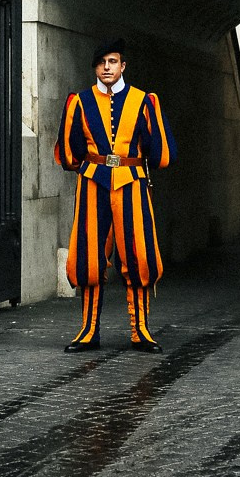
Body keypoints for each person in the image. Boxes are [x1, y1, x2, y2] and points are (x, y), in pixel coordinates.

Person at [55, 39, 174, 353]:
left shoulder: (144, 100)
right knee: (90, 257)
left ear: (123, 66)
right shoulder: (79, 102)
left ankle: (141, 330)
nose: (107, 67)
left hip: (131, 182)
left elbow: (161, 152)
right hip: (94, 182)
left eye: (113, 61)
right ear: (95, 66)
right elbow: (69, 151)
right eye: (101, 62)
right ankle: (88, 331)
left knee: (139, 255)